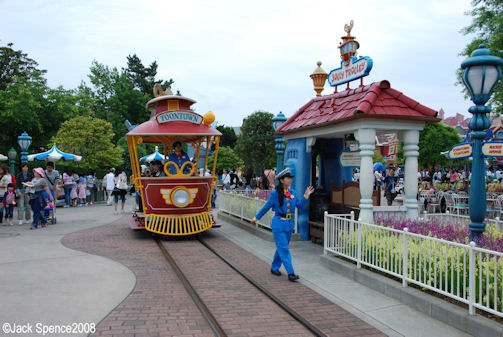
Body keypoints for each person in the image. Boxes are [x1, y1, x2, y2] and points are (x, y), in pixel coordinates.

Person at [251, 167, 314, 282]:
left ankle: (274, 268)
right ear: (281, 180)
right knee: (284, 249)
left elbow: (299, 205)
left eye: (290, 178)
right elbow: (267, 206)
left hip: (289, 225)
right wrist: (256, 218)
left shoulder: (292, 192)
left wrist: (306, 195)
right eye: (288, 178)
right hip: (279, 225)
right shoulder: (275, 193)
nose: (290, 180)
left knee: (281, 248)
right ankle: (291, 273)